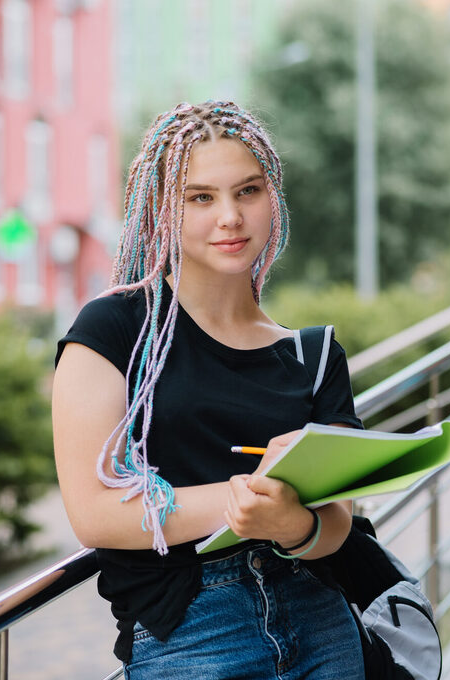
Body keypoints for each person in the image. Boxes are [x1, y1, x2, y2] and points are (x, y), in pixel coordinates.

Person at [52, 101, 366, 678]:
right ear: (162, 208)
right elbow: (94, 514)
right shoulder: (114, 331)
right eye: (201, 197)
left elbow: (337, 526)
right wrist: (249, 500)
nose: (231, 217)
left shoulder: (315, 356)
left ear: (272, 197)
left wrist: (294, 525)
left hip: (323, 626)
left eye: (247, 191)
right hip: (191, 635)